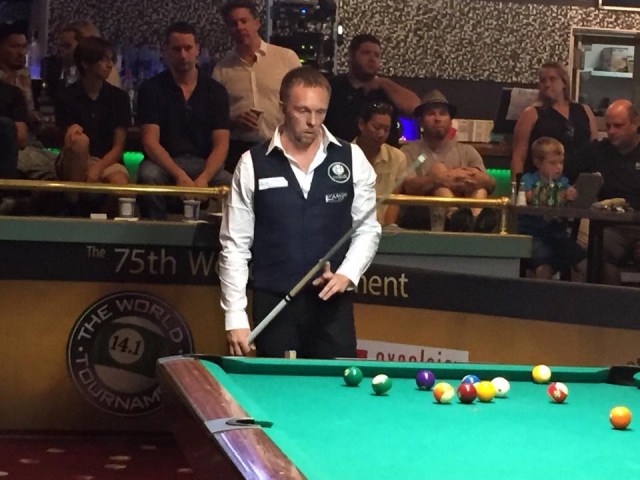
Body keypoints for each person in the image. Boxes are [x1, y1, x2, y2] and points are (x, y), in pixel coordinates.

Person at [219, 66, 381, 359]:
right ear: (282, 108)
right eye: (303, 110)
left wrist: (347, 274)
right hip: (274, 303)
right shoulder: (252, 163)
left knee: (336, 386)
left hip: (332, 306)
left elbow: (367, 228)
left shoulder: (352, 158)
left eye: (320, 112)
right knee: (278, 386)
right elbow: (234, 245)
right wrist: (235, 315)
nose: (312, 121)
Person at [136, 22, 232, 220]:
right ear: (166, 52)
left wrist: (204, 178)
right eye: (176, 49)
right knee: (148, 176)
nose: (183, 55)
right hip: (164, 162)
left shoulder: (216, 91)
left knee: (233, 184)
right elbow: (150, 142)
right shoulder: (151, 89)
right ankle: (154, 232)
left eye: (188, 48)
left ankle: (220, 237)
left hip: (203, 163)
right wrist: (179, 175)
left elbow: (221, 144)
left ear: (197, 50)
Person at [213, 0, 300, 173]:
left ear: (257, 23)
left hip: (281, 146)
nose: (239, 27)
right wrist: (234, 120)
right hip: (240, 150)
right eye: (233, 23)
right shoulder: (222, 70)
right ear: (228, 29)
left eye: (244, 21)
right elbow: (214, 117)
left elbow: (302, 100)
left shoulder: (286, 58)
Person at [401, 90, 496, 232]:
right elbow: (408, 186)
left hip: (469, 213)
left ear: (451, 121)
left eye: (443, 113)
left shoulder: (467, 151)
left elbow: (490, 183)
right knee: (439, 175)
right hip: (423, 219)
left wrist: (461, 177)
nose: (437, 118)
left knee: (480, 189)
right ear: (421, 121)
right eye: (431, 114)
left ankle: (475, 222)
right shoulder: (409, 151)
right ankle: (456, 217)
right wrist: (438, 179)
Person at [569, 100, 640, 285]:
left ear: (635, 123)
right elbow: (564, 172)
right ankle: (611, 301)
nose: (611, 131)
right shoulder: (596, 151)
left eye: (618, 126)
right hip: (610, 227)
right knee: (597, 253)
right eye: (608, 126)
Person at [55, 36, 130, 208]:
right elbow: (66, 140)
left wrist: (98, 167)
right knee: (79, 141)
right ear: (85, 63)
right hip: (75, 158)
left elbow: (118, 147)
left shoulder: (119, 98)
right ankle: (73, 207)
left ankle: (109, 221)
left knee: (122, 188)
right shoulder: (66, 96)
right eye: (103, 60)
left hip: (109, 159)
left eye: (111, 60)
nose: (109, 65)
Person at [324, 34, 419, 147]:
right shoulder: (332, 87)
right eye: (366, 53)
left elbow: (415, 108)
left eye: (376, 55)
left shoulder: (387, 89)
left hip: (384, 155)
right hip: (340, 153)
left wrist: (384, 83)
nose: (372, 59)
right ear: (351, 55)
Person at [511, 61, 598, 181]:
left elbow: (594, 149)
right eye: (543, 80)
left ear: (564, 82)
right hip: (543, 183)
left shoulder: (584, 111)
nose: (547, 84)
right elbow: (518, 157)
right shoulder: (531, 114)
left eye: (552, 79)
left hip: (580, 181)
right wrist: (516, 187)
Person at [518, 137, 586, 280]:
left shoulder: (563, 182)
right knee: (544, 267)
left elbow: (570, 200)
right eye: (553, 163)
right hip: (533, 234)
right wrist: (562, 196)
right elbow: (530, 197)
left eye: (561, 163)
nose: (559, 167)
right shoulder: (528, 179)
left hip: (557, 234)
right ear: (537, 163)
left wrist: (573, 195)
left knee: (585, 262)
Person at [354, 101, 407, 224]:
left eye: (386, 129)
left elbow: (394, 199)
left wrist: (387, 228)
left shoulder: (397, 157)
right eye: (376, 128)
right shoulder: (343, 156)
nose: (381, 134)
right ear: (361, 124)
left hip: (383, 226)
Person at [42, 20, 122, 98]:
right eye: (60, 46)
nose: (61, 51)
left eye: (67, 46)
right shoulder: (60, 70)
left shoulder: (103, 72)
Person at [0, 81, 28, 213]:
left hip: (6, 148)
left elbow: (21, 139)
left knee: (5, 126)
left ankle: (6, 195)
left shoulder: (12, 92)